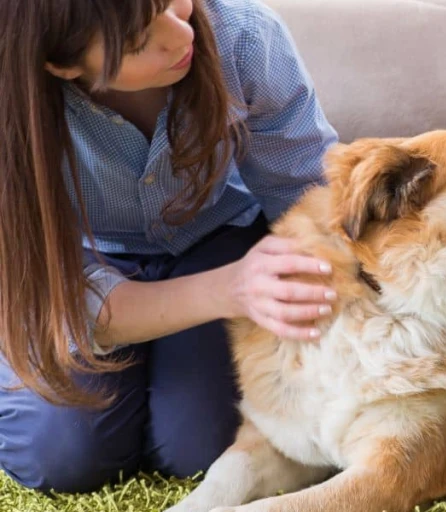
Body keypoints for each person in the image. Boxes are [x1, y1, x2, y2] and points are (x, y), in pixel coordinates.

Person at [0, 0, 341, 493]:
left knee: (201, 445)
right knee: (61, 459)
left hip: (217, 238)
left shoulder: (241, 35)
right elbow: (50, 297)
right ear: (61, 64)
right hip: (70, 264)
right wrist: (228, 291)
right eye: (139, 42)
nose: (182, 37)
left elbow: (306, 194)